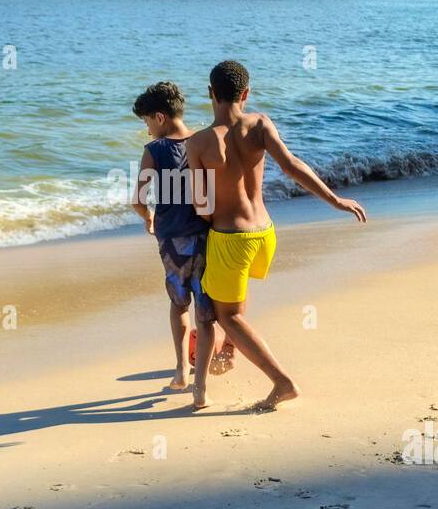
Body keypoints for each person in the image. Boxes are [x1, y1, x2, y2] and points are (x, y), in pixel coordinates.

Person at [187, 61, 367, 412]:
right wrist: (335, 199)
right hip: (265, 233)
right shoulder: (260, 124)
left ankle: (282, 382)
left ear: (210, 94)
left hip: (231, 238)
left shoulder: (200, 142)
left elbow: (202, 205)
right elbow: (292, 165)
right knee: (235, 305)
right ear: (246, 94)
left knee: (227, 317)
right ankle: (230, 350)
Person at [132, 81, 235, 410]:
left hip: (171, 241)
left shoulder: (155, 151)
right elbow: (210, 192)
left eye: (147, 122)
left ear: (159, 117)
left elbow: (137, 199)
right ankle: (200, 390)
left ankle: (180, 372)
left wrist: (148, 219)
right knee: (206, 316)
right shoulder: (201, 140)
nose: (147, 129)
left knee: (179, 306)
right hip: (204, 237)